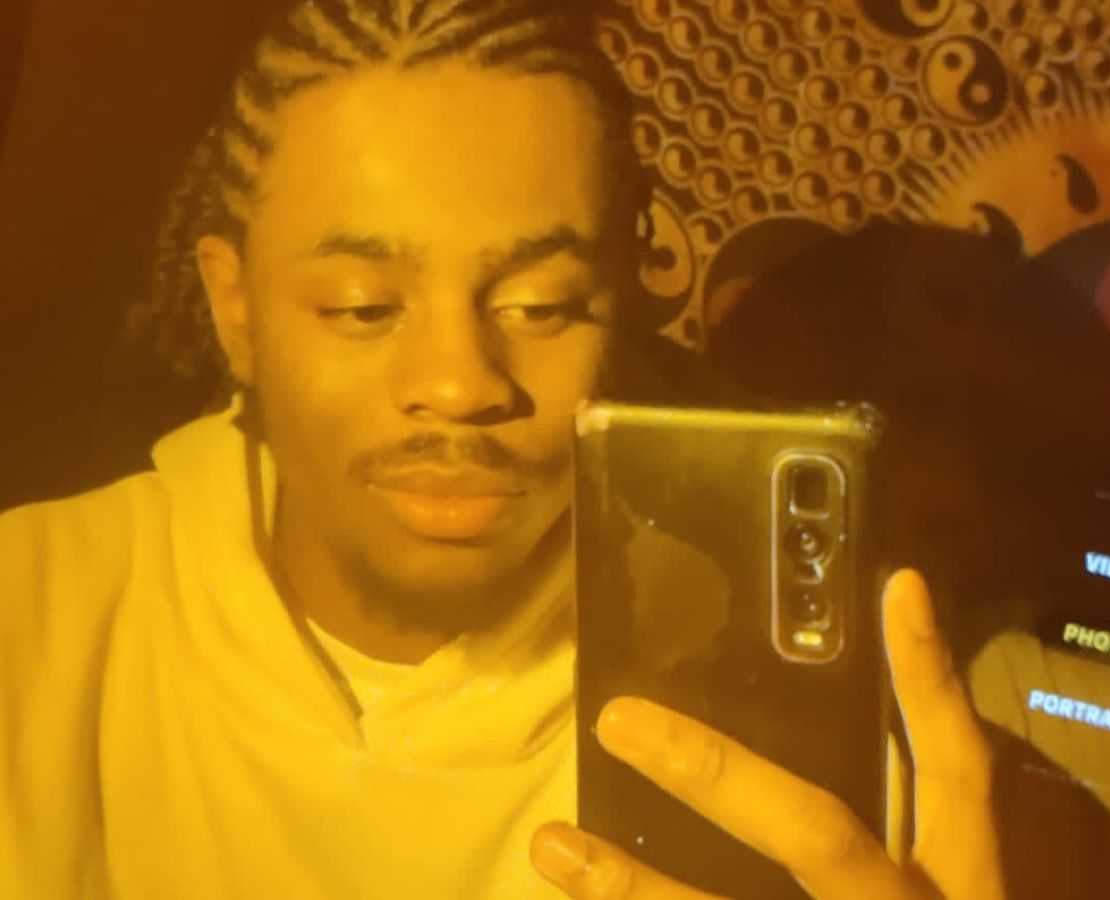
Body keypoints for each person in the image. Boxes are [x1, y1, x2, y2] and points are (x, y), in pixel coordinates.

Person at [0, 2, 1004, 898]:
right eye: (363, 307)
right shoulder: (34, 620)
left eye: (541, 304)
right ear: (236, 311)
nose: (460, 382)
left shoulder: (775, 720)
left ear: (622, 301)